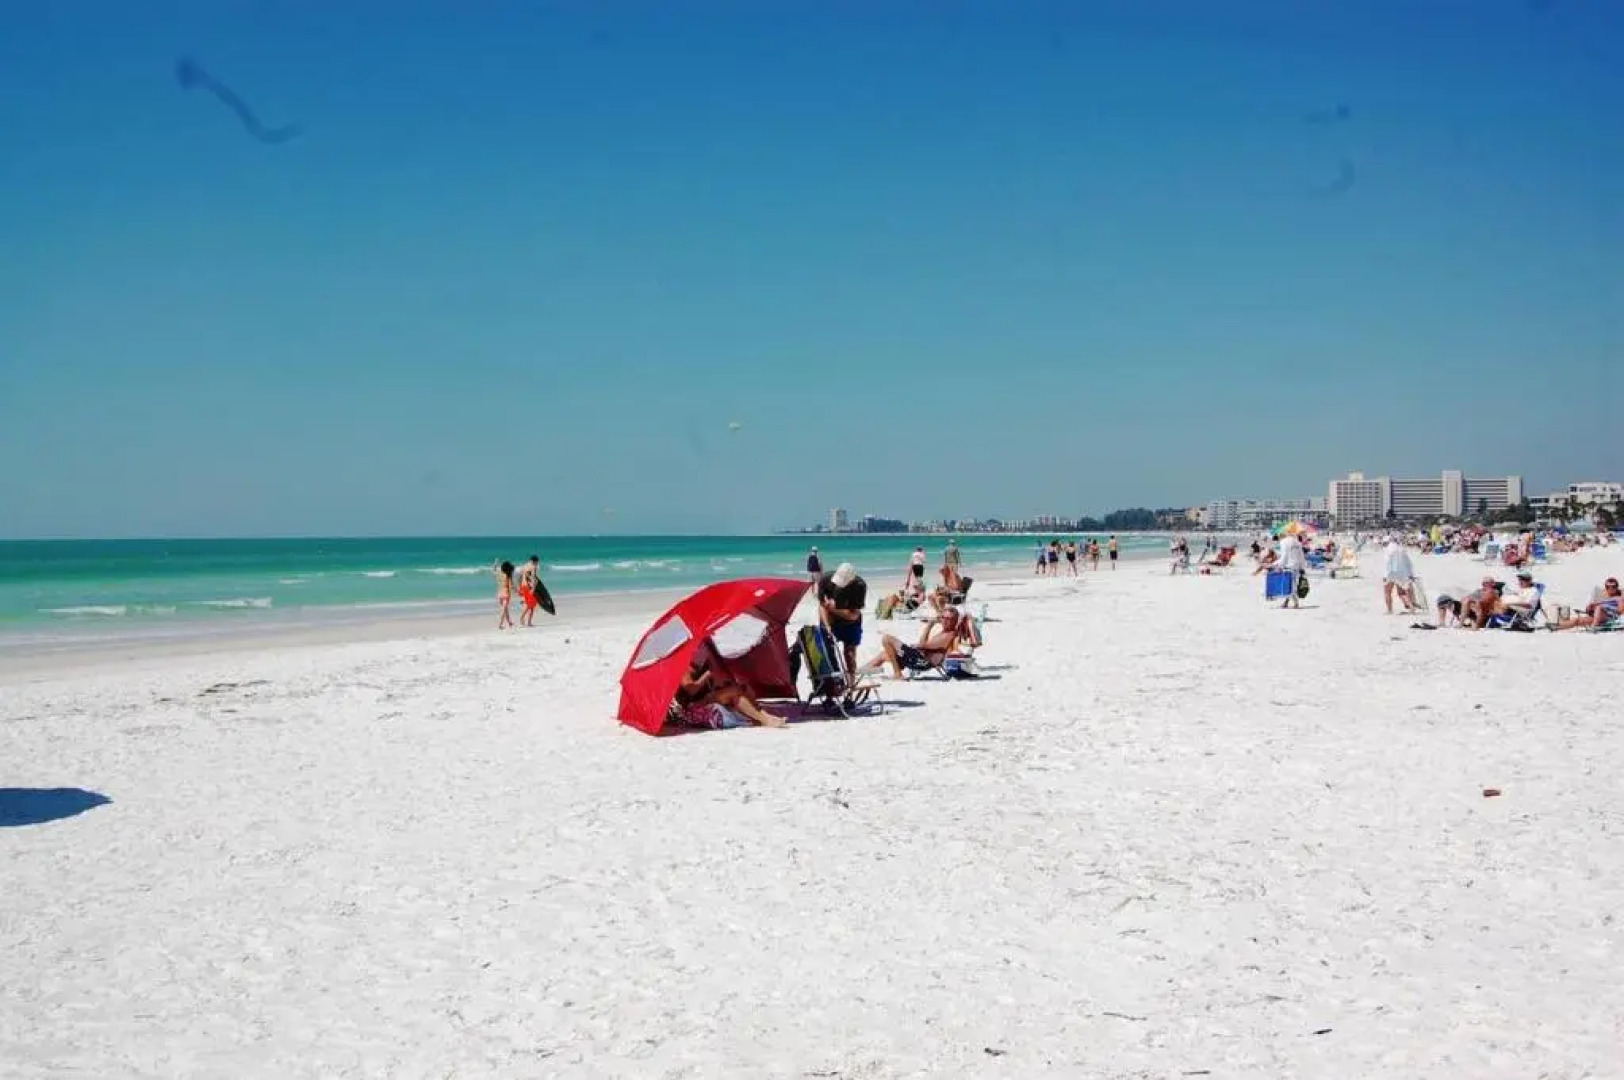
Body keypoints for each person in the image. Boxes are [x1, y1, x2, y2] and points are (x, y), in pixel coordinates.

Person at [860, 605, 980, 680]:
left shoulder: (949, 634)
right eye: (943, 617)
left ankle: (898, 674)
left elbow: (924, 645)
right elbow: (923, 644)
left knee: (887, 639)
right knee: (884, 654)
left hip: (922, 662)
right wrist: (929, 626)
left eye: (949, 619)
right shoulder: (943, 632)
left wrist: (916, 645)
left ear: (954, 621)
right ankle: (861, 671)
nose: (944, 620)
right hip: (919, 658)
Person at [674, 655, 784, 728]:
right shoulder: (683, 668)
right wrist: (707, 674)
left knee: (739, 688)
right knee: (734, 691)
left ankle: (764, 716)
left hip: (703, 699)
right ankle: (764, 719)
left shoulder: (696, 665)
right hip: (692, 706)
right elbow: (691, 689)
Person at [818, 562, 868, 675]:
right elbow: (821, 606)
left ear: (851, 580)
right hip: (830, 619)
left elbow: (853, 616)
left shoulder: (860, 586)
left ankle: (851, 683)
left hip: (850, 622)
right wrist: (826, 625)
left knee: (849, 654)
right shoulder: (826, 580)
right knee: (826, 652)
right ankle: (833, 683)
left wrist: (833, 608)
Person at [1382, 538, 1419, 615]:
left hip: (1391, 573)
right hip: (1402, 573)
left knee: (1387, 591)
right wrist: (1411, 574)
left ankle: (1389, 610)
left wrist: (1385, 575)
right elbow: (1408, 563)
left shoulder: (1388, 549)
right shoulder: (1402, 549)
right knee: (1401, 593)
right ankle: (1411, 607)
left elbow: (1387, 563)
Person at [1277, 530, 1307, 608]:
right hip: (1297, 566)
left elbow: (1284, 557)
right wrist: (1302, 567)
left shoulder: (1283, 542)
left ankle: (1296, 603)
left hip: (1289, 566)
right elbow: (1301, 556)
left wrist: (1278, 565)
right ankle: (1286, 602)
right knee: (1292, 584)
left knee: (1290, 585)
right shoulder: (1297, 542)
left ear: (1281, 536)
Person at [517, 555, 543, 627]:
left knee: (530, 605)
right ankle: (522, 619)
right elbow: (533, 577)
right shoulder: (533, 567)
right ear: (535, 561)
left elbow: (520, 576)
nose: (537, 564)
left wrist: (519, 587)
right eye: (537, 562)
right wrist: (533, 588)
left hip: (524, 586)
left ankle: (529, 622)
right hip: (530, 587)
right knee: (530, 605)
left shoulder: (524, 566)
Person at [493, 560, 515, 630]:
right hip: (506, 594)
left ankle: (509, 622)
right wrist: (518, 591)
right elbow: (512, 586)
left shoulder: (499, 573)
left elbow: (494, 570)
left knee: (505, 610)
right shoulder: (508, 576)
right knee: (504, 610)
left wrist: (495, 563)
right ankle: (500, 625)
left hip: (499, 593)